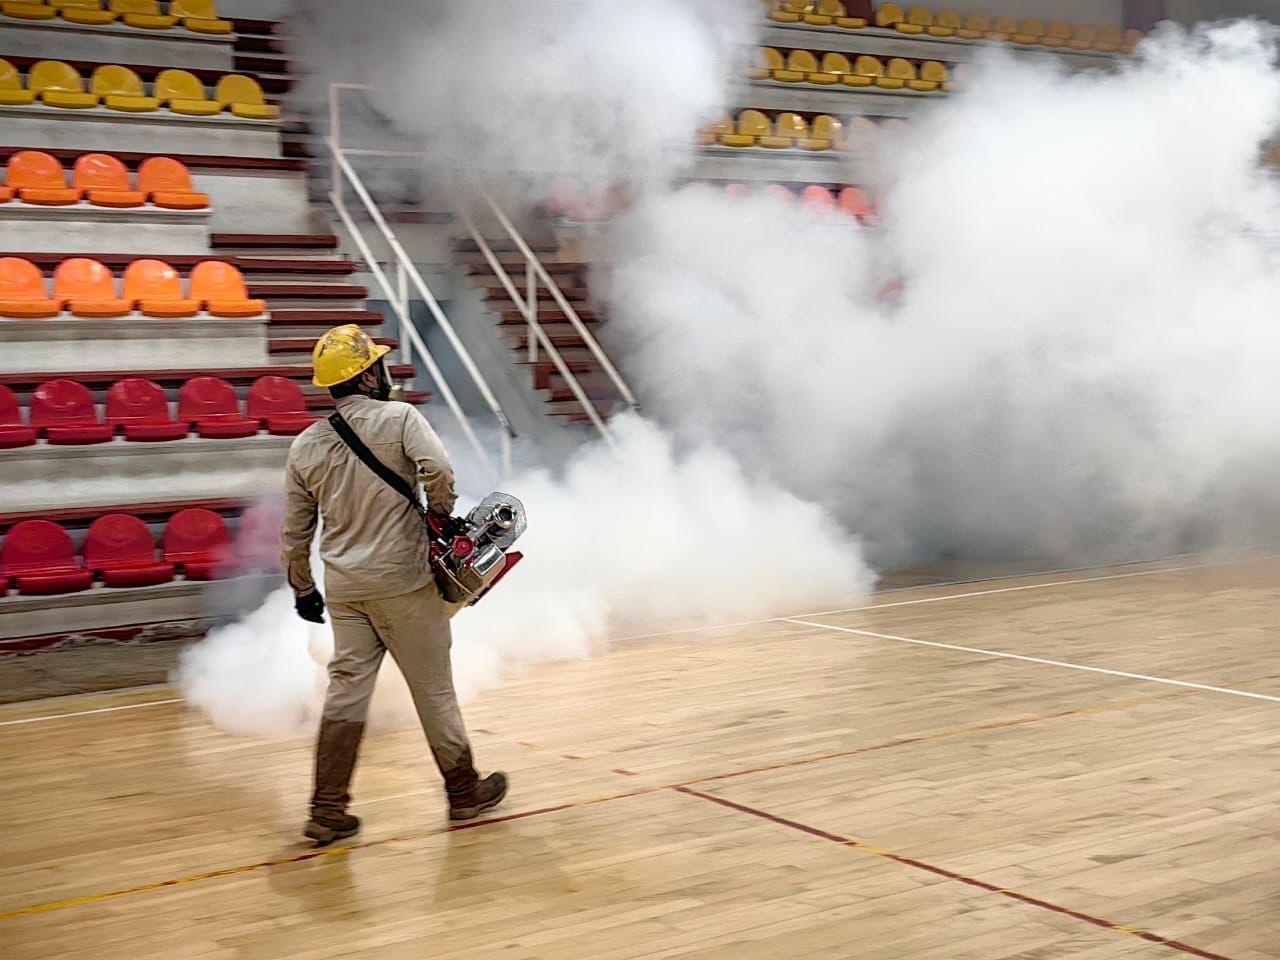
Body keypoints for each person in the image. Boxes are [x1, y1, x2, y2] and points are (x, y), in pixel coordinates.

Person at [282, 324, 507, 844]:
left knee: (345, 695)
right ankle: (464, 792)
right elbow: (440, 472)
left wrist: (302, 588)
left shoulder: (305, 446)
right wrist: (440, 517)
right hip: (403, 584)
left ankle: (326, 809)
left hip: (344, 589)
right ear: (366, 374)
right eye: (377, 364)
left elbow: (295, 532)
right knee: (433, 690)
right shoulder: (401, 418)